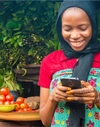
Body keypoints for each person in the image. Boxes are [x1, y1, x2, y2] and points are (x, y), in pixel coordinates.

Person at [38, 0, 100, 127]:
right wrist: (52, 98)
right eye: (67, 29)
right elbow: (45, 121)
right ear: (60, 28)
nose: (75, 35)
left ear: (93, 26)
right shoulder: (50, 62)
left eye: (83, 28)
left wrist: (98, 98)